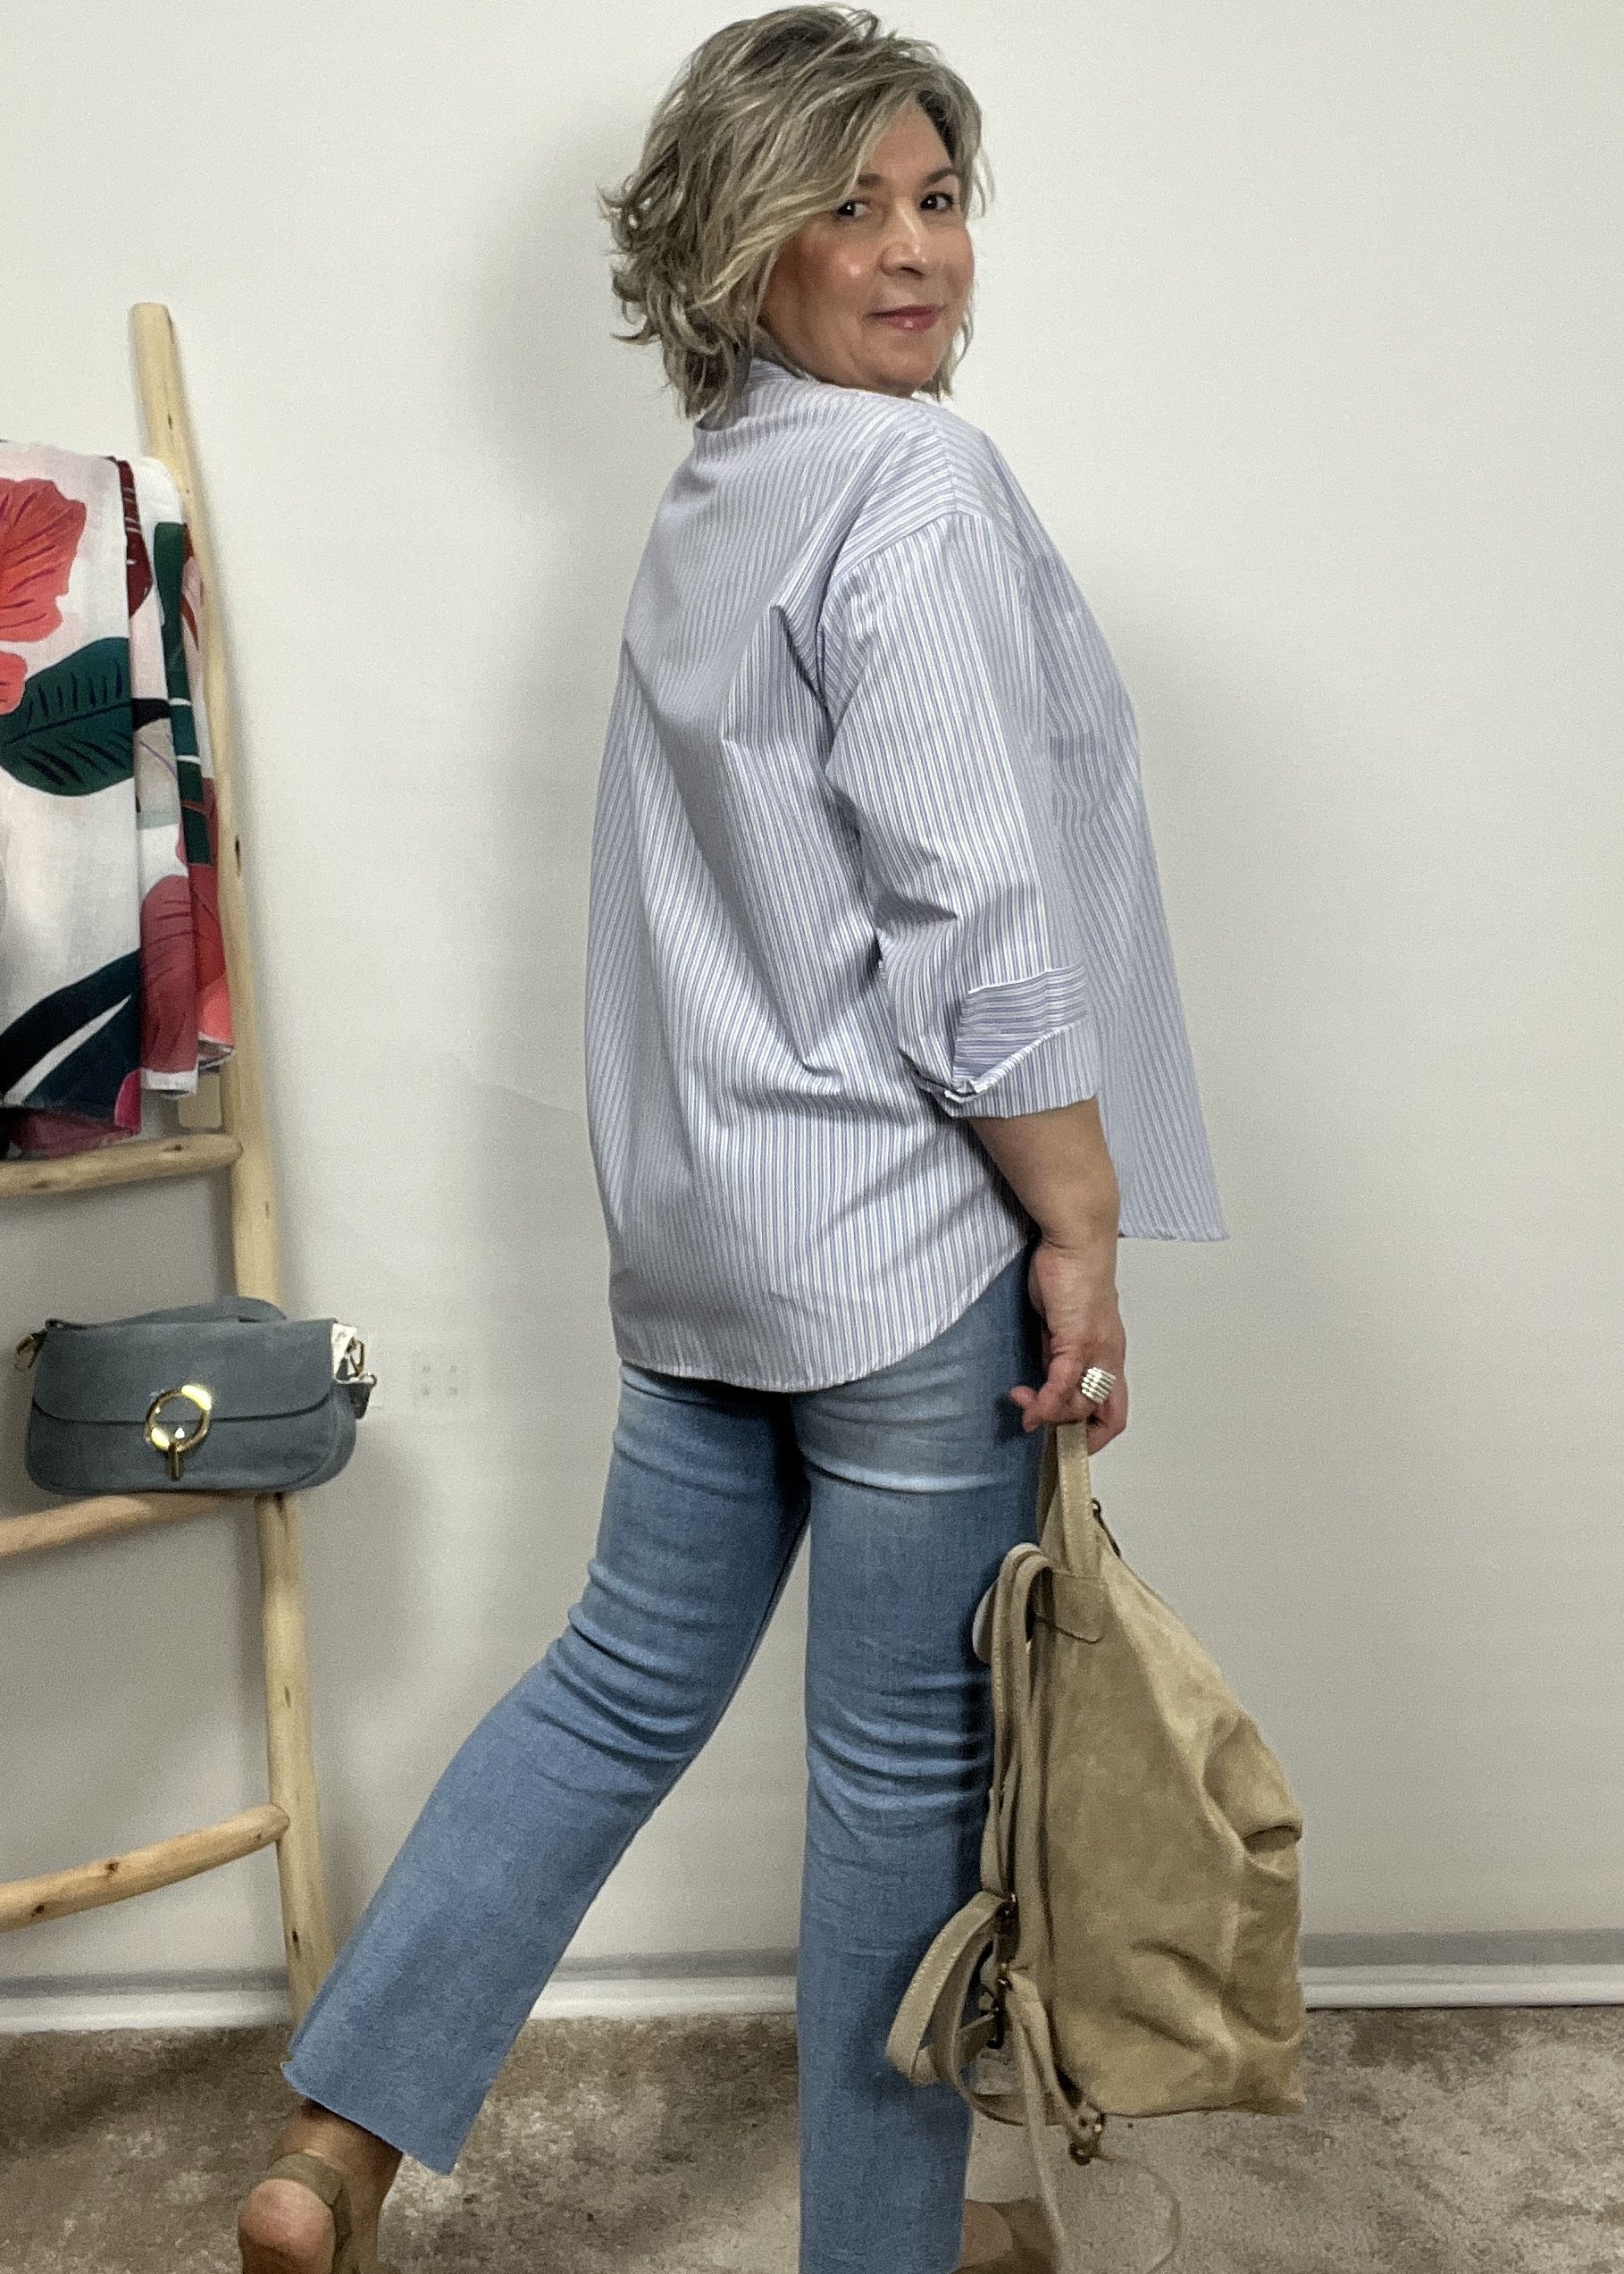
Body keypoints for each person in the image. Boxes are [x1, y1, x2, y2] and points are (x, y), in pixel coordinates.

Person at [236, 8, 1226, 2272]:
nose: (914, 250)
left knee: (611, 1682)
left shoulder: (723, 488)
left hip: (705, 1238)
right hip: (896, 1249)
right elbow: (970, 913)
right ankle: (882, 2249)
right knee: (902, 1785)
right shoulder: (915, 488)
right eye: (848, 205)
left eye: (938, 198)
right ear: (736, 242)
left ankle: (326, 2152)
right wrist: (1075, 1216)